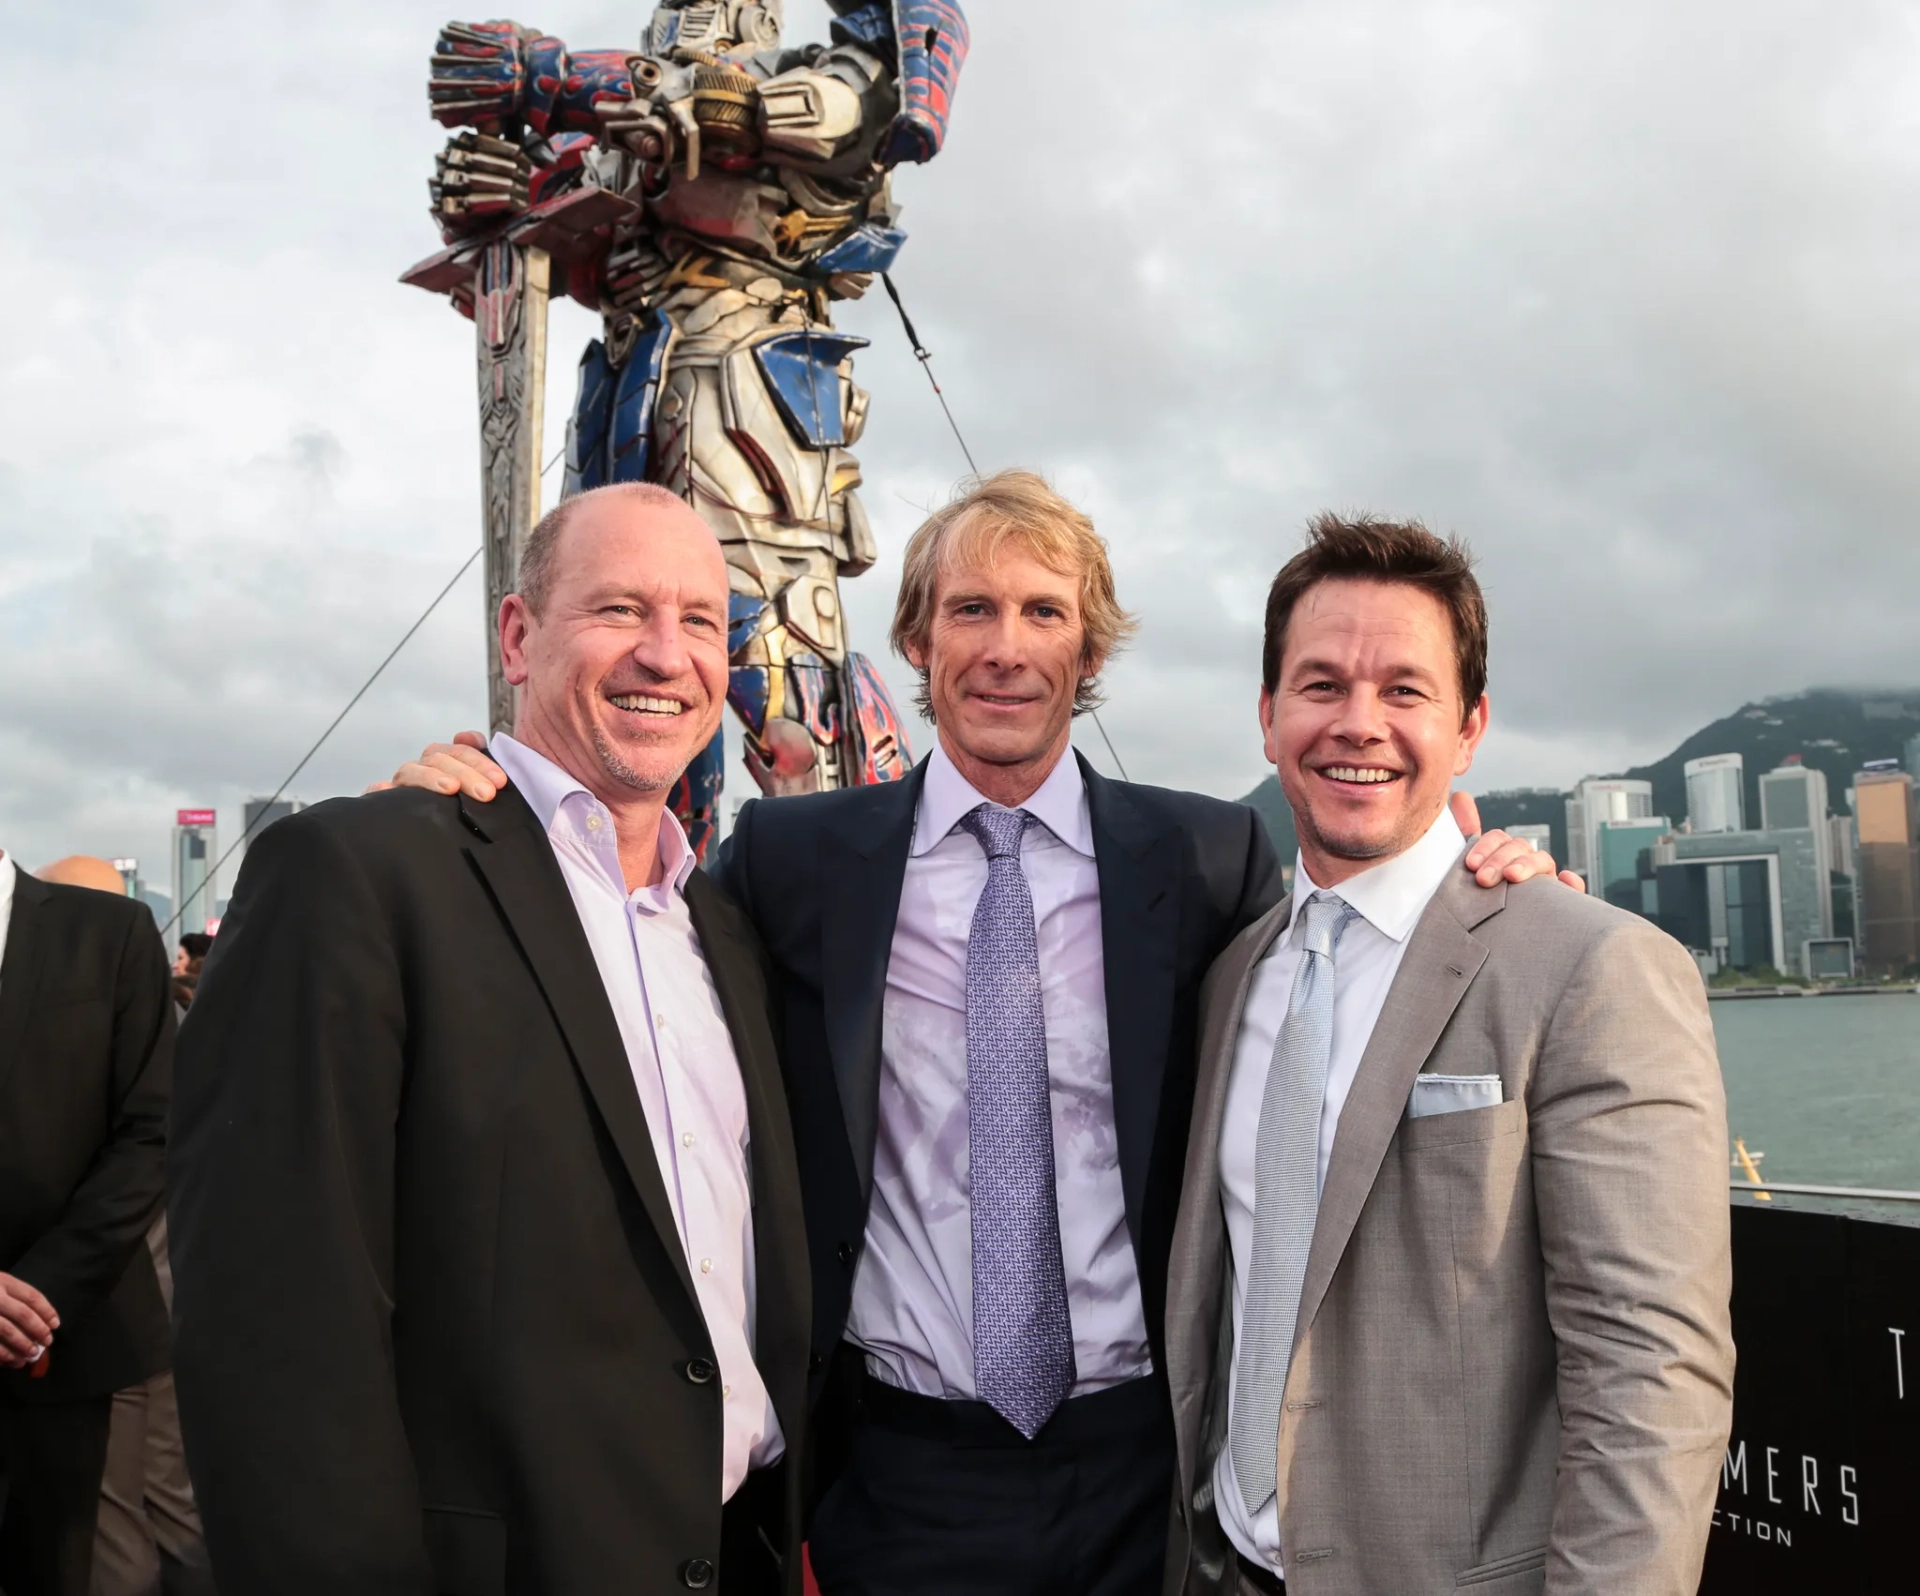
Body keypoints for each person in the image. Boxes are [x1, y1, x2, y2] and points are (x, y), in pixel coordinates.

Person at [393, 472, 1567, 1596]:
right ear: (918, 640)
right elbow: (621, 939)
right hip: (899, 1475)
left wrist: (1476, 881)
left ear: (1089, 652)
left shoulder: (1204, 860)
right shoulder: (796, 865)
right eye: (972, 609)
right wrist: (480, 806)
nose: (1008, 646)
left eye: (1045, 613)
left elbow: (1346, 982)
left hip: (1143, 1465)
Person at [169, 483, 811, 1595]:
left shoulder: (728, 930)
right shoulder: (361, 876)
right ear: (518, 636)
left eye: (701, 622)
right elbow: (273, 1330)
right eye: (620, 610)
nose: (667, 656)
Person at [1162, 516, 1734, 1596]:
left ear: (1469, 729)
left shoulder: (1589, 967)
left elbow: (1653, 1380)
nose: (1359, 724)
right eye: (1321, 684)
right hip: (1219, 1568)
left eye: (1405, 691)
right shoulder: (1235, 975)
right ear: (1269, 717)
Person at [0, 849, 175, 1596]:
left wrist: (38, 1294)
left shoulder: (111, 933)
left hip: (74, 1338)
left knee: (86, 1570)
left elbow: (153, 1131)